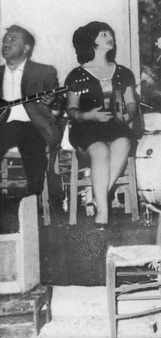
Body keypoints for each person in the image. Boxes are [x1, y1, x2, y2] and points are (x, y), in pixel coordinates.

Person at [65, 22, 139, 230]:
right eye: (103, 34)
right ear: (91, 41)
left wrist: (129, 114)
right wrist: (89, 115)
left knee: (124, 142)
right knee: (100, 150)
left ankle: (99, 198)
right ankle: (103, 213)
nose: (110, 36)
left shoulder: (123, 72)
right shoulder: (77, 75)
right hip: (85, 127)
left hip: (115, 126)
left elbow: (131, 103)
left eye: (110, 33)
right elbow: (71, 109)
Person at [0, 25, 63, 197]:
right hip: (4, 127)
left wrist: (52, 102)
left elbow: (58, 103)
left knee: (34, 147)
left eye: (13, 39)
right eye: (5, 40)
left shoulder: (44, 72)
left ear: (26, 48)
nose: (6, 43)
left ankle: (33, 200)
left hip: (34, 126)